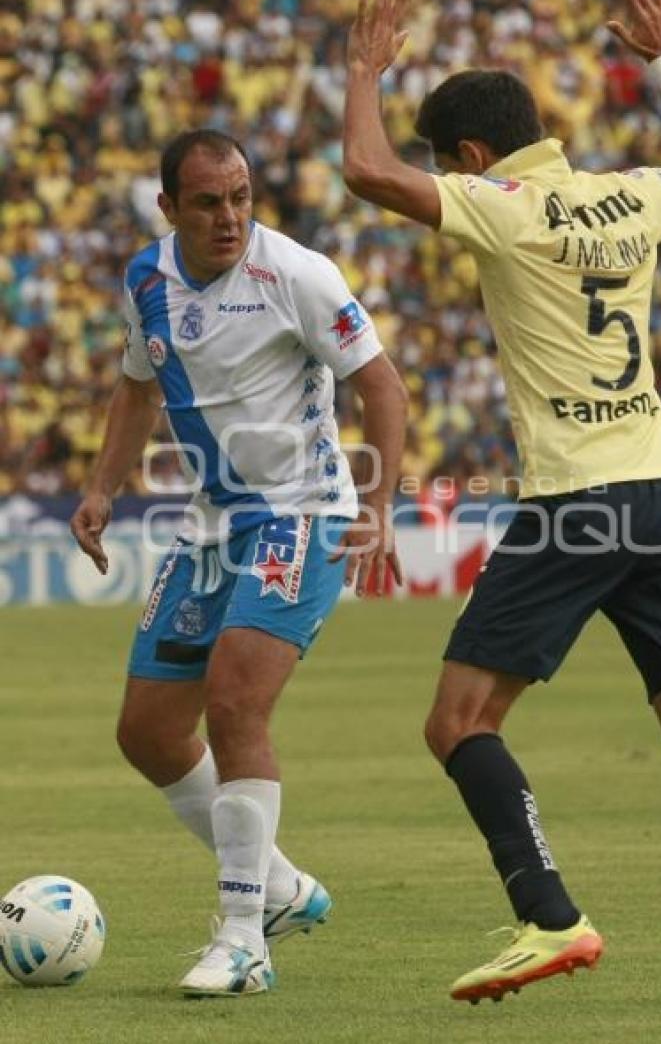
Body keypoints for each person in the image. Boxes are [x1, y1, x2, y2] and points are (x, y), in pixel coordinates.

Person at [342, 0, 661, 1005]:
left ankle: (549, 917)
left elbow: (364, 168)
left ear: (474, 158)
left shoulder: (502, 206)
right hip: (658, 491)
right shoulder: (632, 193)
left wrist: (362, 70)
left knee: (458, 723)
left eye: (453, 164)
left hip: (573, 500)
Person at [70, 129, 407, 997]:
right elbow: (139, 386)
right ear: (168, 208)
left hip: (304, 515)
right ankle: (285, 886)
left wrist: (377, 508)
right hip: (213, 525)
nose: (230, 217)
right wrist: (103, 487)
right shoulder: (146, 280)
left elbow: (382, 385)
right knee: (147, 732)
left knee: (233, 703)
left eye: (242, 196)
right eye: (209, 201)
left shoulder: (298, 273)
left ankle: (244, 936)